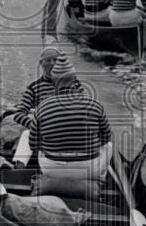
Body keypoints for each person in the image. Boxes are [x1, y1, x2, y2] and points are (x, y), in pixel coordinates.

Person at [29, 54, 113, 188]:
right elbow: (106, 137)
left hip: (52, 170)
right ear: (74, 79)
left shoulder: (42, 107)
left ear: (54, 81)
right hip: (89, 170)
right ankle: (100, 179)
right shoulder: (94, 105)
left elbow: (33, 145)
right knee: (109, 145)